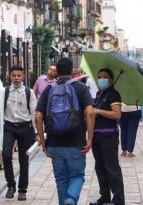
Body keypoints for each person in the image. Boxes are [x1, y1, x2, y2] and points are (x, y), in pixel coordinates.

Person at [35, 58, 95, 205]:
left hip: (54, 143)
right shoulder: (80, 88)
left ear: (57, 72)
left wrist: (43, 142)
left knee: (61, 180)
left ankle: (66, 201)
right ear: (71, 71)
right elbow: (90, 113)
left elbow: (38, 116)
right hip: (76, 142)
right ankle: (71, 198)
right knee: (77, 176)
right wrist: (89, 139)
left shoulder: (49, 89)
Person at [0, 65, 37, 201]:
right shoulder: (4, 92)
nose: (16, 78)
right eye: (13, 75)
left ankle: (22, 190)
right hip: (9, 127)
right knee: (6, 154)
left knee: (24, 160)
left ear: (23, 77)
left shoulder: (29, 92)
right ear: (10, 76)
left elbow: (34, 113)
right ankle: (11, 185)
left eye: (19, 75)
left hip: (25, 128)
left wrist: (37, 131)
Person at [89, 68, 124, 205]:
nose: (101, 79)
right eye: (99, 76)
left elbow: (117, 114)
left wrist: (98, 111)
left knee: (112, 168)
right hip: (97, 135)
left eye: (104, 77)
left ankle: (118, 200)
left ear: (110, 80)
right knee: (100, 168)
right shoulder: (99, 94)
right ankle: (104, 197)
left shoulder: (114, 94)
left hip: (108, 135)